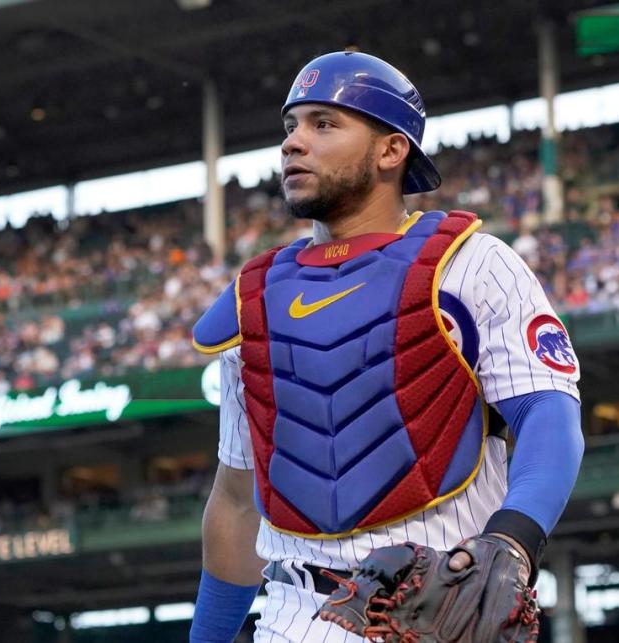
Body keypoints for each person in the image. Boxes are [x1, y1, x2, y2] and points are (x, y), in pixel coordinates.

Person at [188, 50, 584, 643]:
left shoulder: (470, 264)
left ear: (391, 150)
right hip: (294, 615)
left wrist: (513, 540)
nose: (294, 142)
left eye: (324, 124)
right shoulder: (253, 296)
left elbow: (548, 414)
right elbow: (237, 501)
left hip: (439, 608)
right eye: (290, 126)